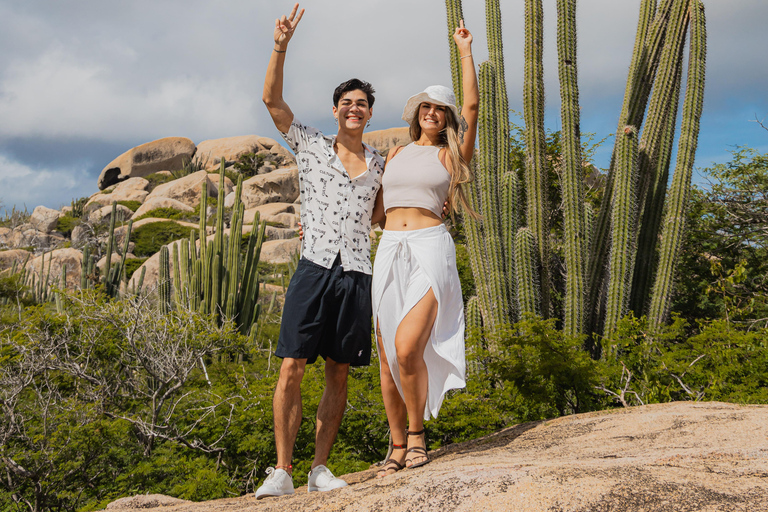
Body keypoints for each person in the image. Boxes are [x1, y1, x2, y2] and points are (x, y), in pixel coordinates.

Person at [255, 3, 385, 499]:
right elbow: (271, 100)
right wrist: (280, 44)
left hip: (356, 271)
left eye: (362, 103)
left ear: (370, 112)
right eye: (347, 102)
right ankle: (283, 470)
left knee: (339, 370)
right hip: (314, 267)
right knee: (292, 365)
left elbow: (377, 213)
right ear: (335, 110)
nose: (355, 108)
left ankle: (319, 469)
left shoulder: (378, 162)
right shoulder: (308, 143)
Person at [372, 20, 479, 478]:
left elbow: (473, 105)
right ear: (416, 113)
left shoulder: (450, 155)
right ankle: (396, 445)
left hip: (429, 246)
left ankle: (417, 436)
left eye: (440, 109)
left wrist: (465, 50)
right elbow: (374, 213)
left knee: (407, 346)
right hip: (388, 246)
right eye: (426, 107)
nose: (432, 113)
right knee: (386, 355)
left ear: (447, 118)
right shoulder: (395, 154)